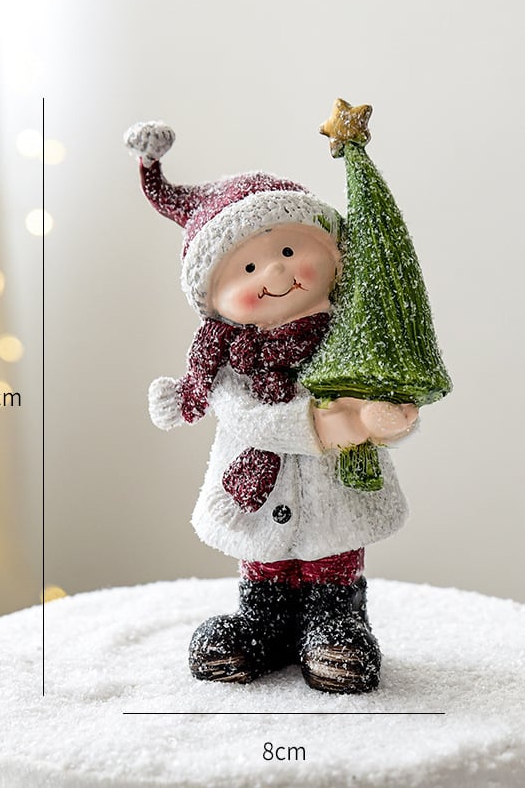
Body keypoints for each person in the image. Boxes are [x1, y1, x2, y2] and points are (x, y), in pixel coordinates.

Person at [125, 121, 418, 693]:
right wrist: (332, 424)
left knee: (332, 551)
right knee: (265, 556)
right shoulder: (231, 363)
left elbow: (377, 394)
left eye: (288, 250)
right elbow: (246, 418)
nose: (277, 271)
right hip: (256, 490)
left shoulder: (351, 340)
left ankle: (336, 623)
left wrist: (384, 417)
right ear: (214, 299)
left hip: (337, 489)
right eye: (248, 269)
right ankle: (263, 622)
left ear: (331, 257)